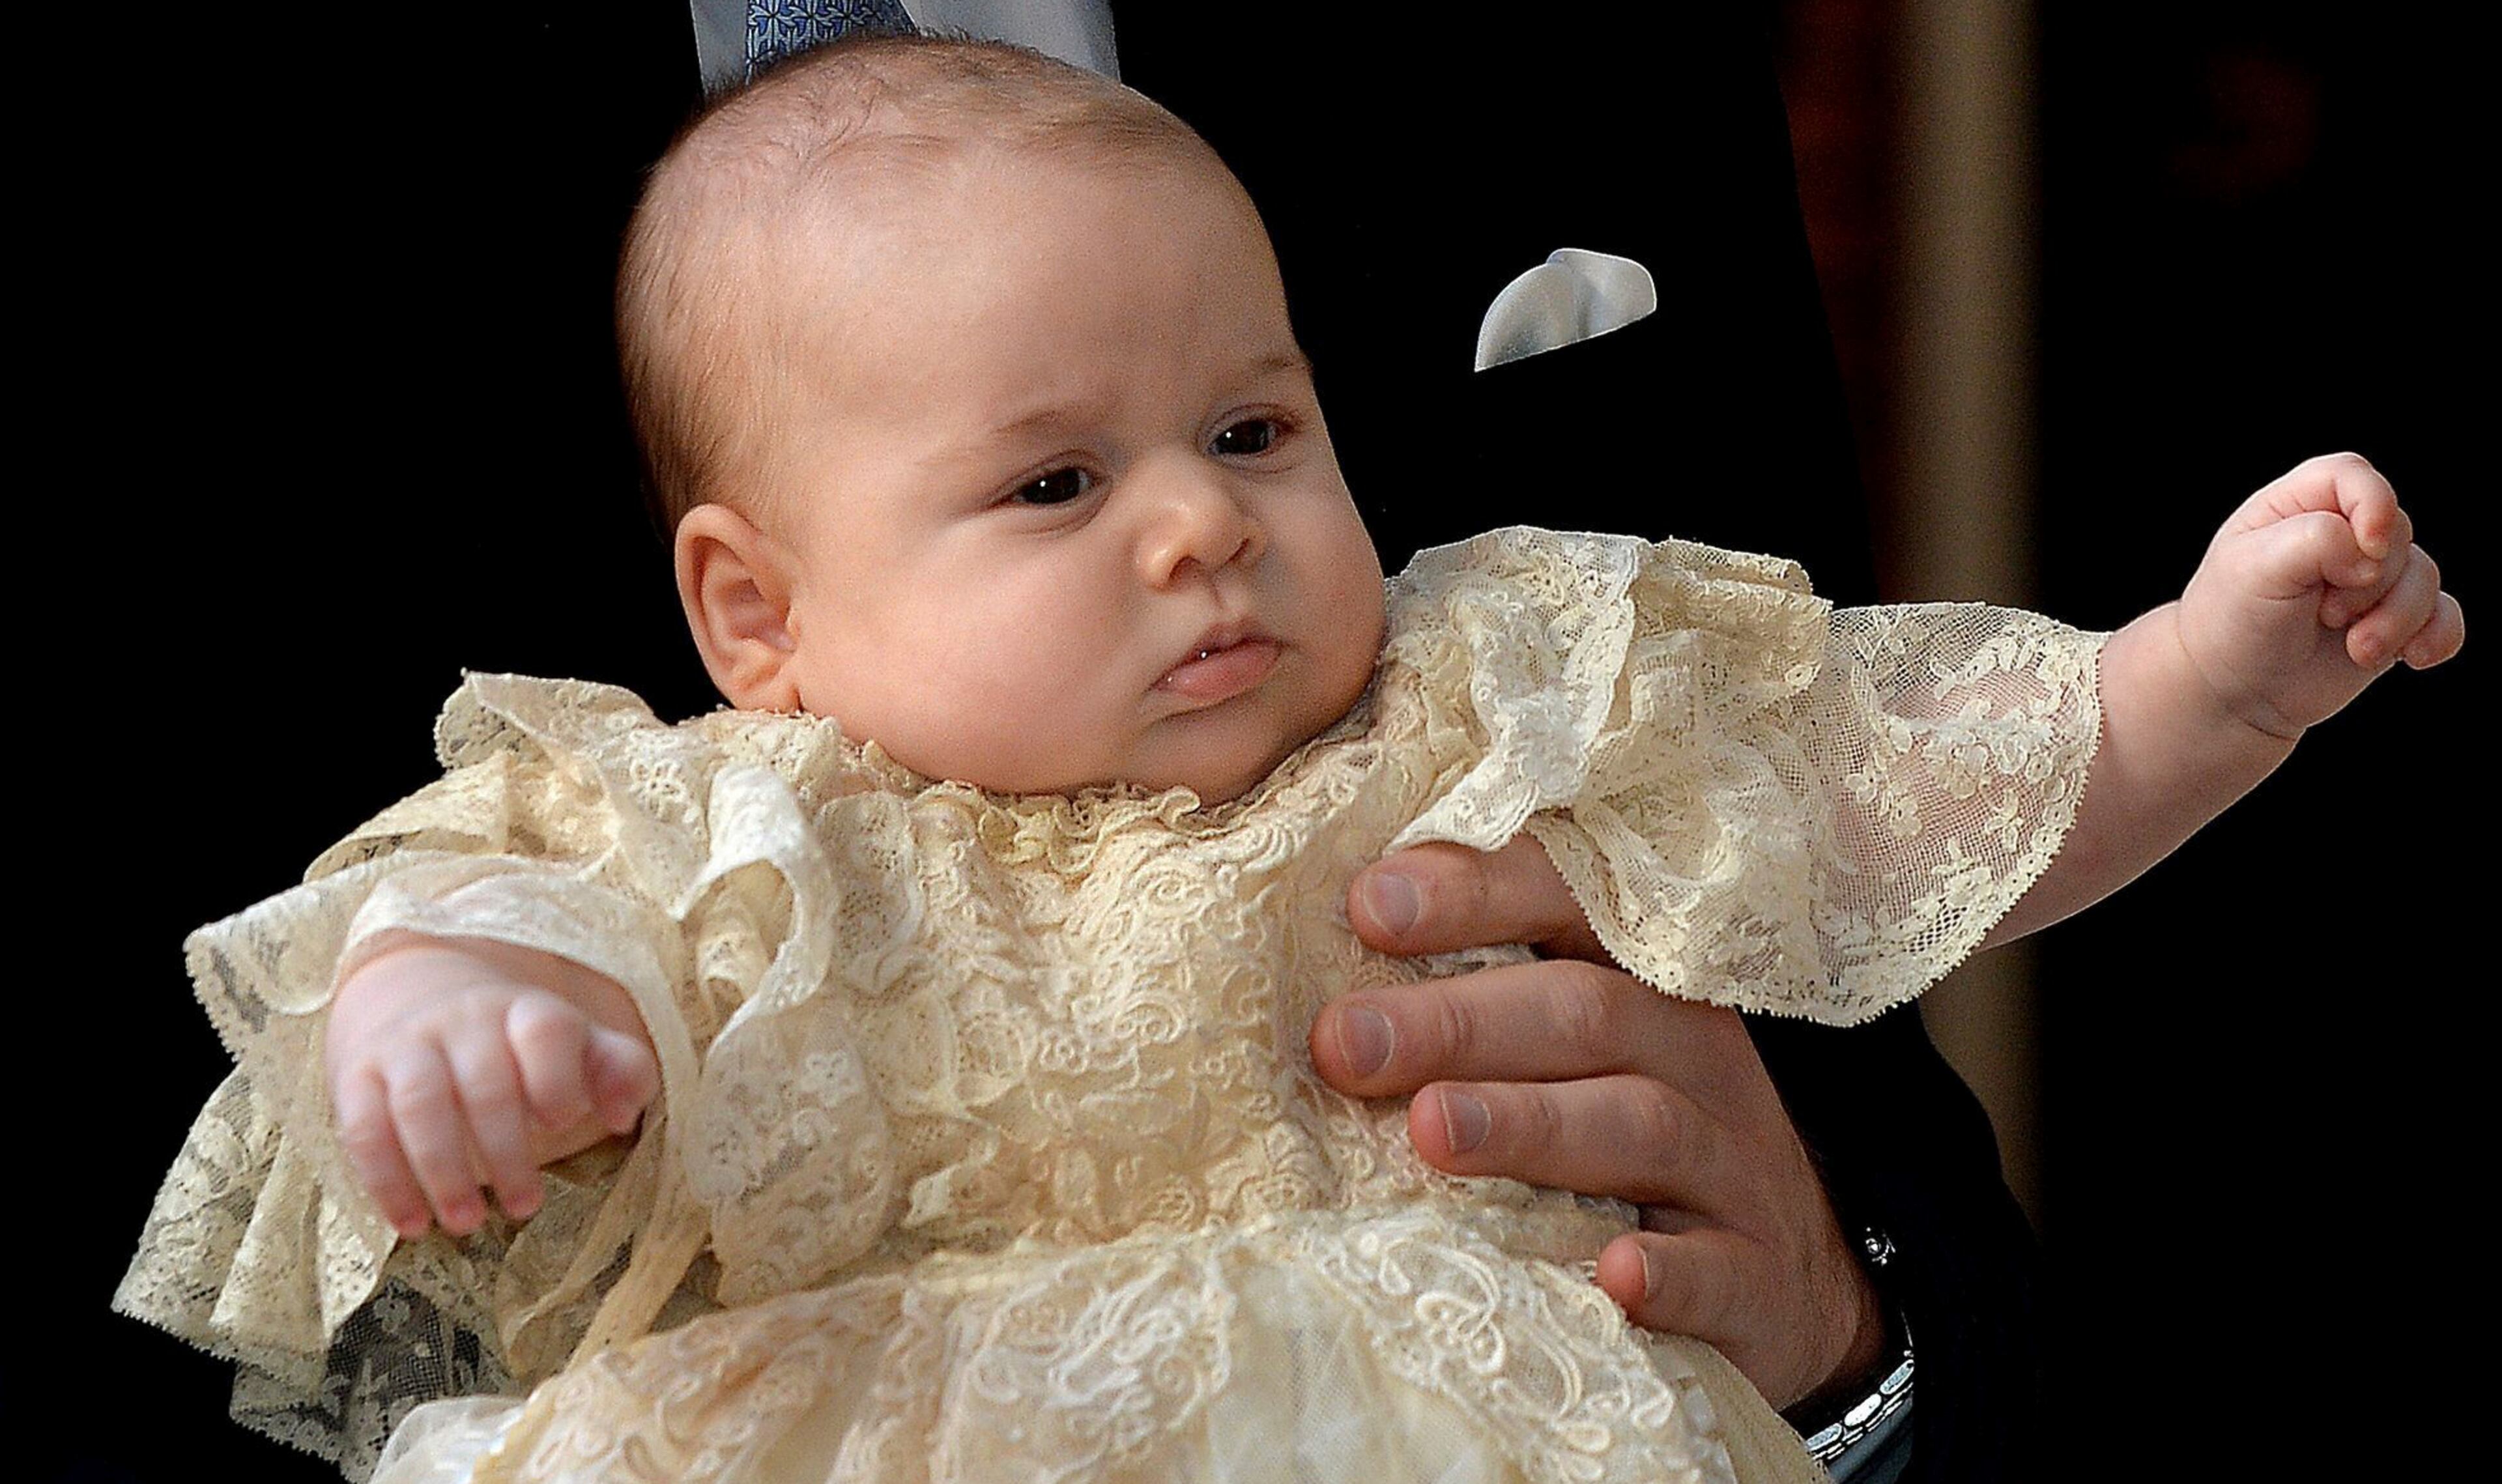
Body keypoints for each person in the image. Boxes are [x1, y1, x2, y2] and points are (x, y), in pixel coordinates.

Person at [115, 33, 2461, 1484]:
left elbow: (1892, 793)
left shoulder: (1474, 691)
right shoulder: (741, 812)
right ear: (760, 616)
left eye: (1253, 427)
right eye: (1056, 487)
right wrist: (470, 1016)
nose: (1198, 528)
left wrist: (2203, 679)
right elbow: (468, 903)